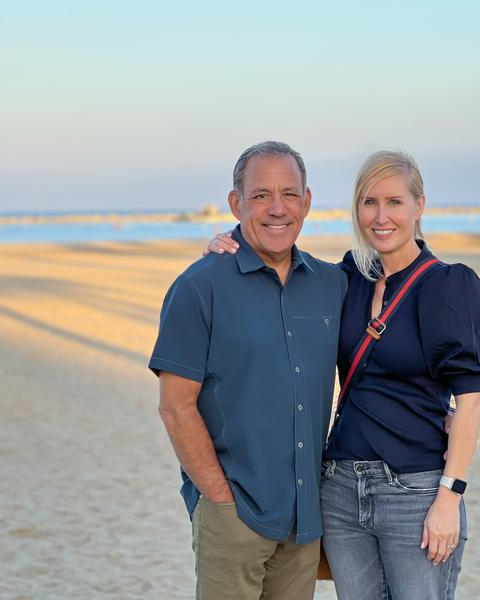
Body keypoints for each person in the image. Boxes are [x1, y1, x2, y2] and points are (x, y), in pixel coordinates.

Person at [205, 149, 480, 599]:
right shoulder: (348, 278)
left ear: (419, 207)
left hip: (414, 490)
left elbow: (471, 401)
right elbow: (281, 269)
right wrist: (230, 242)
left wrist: (449, 498)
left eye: (394, 202)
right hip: (339, 487)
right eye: (369, 202)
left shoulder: (448, 285)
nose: (381, 217)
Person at [149, 141, 347, 600]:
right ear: (236, 203)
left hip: (305, 519)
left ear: (307, 201)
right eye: (260, 195)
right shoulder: (199, 287)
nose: (277, 209)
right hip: (233, 514)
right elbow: (175, 408)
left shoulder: (333, 284)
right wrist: (219, 499)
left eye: (289, 194)